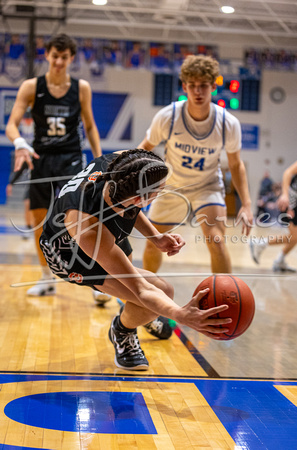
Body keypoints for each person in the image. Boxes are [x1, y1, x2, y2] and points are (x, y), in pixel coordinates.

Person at [39, 149, 232, 370]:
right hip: (70, 257)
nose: (162, 191)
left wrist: (157, 237)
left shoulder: (121, 166)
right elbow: (142, 289)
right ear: (140, 198)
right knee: (160, 292)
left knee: (140, 290)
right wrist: (179, 314)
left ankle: (140, 315)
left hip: (102, 230)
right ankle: (122, 331)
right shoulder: (89, 228)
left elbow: (131, 204)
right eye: (158, 190)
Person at [5, 33, 102, 297]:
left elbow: (90, 126)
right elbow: (11, 124)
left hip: (70, 157)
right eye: (55, 56)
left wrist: (98, 159)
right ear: (47, 55)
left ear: (71, 59)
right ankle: (46, 276)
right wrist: (19, 144)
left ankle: (97, 281)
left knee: (79, 220)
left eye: (64, 57)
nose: (59, 61)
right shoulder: (30, 86)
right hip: (40, 158)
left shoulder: (81, 88)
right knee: (38, 220)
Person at [139, 54, 253, 275]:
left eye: (203, 86)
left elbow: (236, 164)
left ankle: (224, 299)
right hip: (171, 185)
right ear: (184, 87)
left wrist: (247, 204)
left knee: (217, 241)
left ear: (213, 87)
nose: (198, 92)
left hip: (207, 186)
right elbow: (144, 148)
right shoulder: (168, 116)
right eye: (192, 86)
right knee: (154, 244)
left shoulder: (227, 123)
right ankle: (145, 295)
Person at [250, 158, 297, 272]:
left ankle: (279, 260)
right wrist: (285, 196)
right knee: (295, 236)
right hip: (292, 201)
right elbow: (288, 172)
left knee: (296, 237)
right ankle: (261, 244)